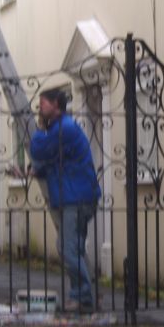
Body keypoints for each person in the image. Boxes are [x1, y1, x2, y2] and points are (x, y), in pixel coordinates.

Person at [30, 88, 101, 312]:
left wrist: (38, 131)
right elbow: (53, 161)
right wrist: (33, 172)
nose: (40, 107)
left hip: (76, 198)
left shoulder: (64, 129)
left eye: (44, 103)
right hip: (73, 196)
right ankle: (87, 295)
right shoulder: (59, 130)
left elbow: (39, 149)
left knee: (68, 249)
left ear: (56, 105)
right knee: (74, 248)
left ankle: (83, 296)